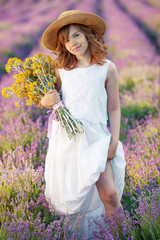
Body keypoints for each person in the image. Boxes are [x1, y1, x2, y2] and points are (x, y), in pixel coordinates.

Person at [41, 10, 126, 238]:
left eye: (76, 35)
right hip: (68, 142)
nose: (72, 43)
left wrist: (114, 141)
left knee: (109, 195)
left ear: (89, 35)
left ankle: (120, 235)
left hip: (96, 139)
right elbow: (50, 99)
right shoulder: (61, 70)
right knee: (74, 201)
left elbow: (114, 108)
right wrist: (45, 101)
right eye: (66, 40)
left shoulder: (107, 68)